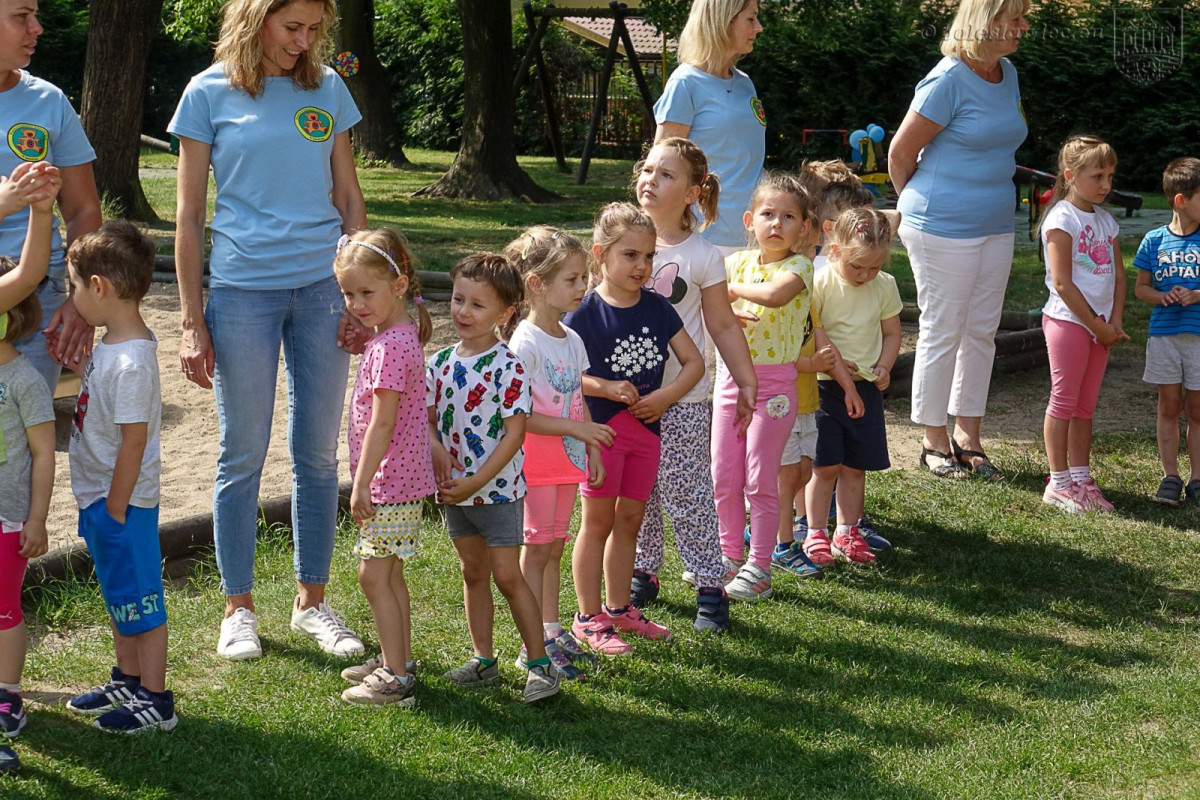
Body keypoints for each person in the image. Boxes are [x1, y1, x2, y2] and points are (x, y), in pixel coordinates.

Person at [169, 0, 368, 660]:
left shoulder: (328, 87)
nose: (305, 40)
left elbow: (348, 198)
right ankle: (238, 608)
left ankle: (313, 601)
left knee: (316, 455)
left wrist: (362, 292)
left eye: (315, 30)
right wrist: (192, 323)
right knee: (241, 452)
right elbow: (191, 216)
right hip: (240, 293)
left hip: (322, 291)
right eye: (293, 27)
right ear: (256, 19)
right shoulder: (206, 93)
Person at [889, 0, 1030, 481]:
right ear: (985, 23)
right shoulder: (946, 79)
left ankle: (968, 434)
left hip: (995, 224)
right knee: (943, 329)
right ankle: (933, 441)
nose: (1024, 26)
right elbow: (900, 153)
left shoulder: (1006, 73)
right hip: (940, 226)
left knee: (982, 331)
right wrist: (919, 207)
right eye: (1016, 18)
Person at [628, 137, 757, 631]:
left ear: (692, 192)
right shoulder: (619, 238)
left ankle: (709, 586)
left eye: (666, 174)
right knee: (635, 493)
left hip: (683, 396)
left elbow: (723, 325)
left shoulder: (704, 256)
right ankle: (642, 573)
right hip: (623, 400)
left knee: (686, 491)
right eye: (647, 169)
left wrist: (745, 381)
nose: (650, 180)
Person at [565, 203, 704, 652]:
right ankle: (587, 617)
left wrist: (664, 397)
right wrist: (603, 386)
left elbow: (694, 363)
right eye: (630, 255)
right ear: (600, 254)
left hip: (647, 432)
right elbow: (565, 372)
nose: (642, 266)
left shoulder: (659, 308)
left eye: (648, 256)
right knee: (597, 522)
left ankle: (620, 608)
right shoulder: (583, 310)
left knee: (631, 520)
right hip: (599, 434)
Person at [427, 253, 560, 704]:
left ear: (504, 314)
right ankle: (484, 661)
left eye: (477, 305)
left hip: (497, 492)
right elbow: (425, 419)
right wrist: (437, 447)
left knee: (507, 575)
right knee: (472, 571)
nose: (463, 312)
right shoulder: (440, 362)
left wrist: (476, 481)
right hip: (455, 492)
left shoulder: (509, 367)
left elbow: (513, 437)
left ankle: (540, 664)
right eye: (458, 300)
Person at [62, 222, 177, 733]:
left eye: (72, 286)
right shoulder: (111, 345)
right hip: (102, 501)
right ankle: (127, 680)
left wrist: (115, 506)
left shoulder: (131, 362)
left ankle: (156, 699)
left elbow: (134, 443)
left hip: (122, 506)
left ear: (99, 287)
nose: (71, 296)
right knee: (119, 594)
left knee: (142, 601)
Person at [331, 229, 433, 706]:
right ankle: (399, 660)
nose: (356, 303)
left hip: (391, 480)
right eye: (349, 293)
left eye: (366, 292)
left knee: (373, 576)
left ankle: (396, 677)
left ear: (399, 283)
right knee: (388, 575)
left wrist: (361, 482)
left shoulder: (390, 346)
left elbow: (383, 421)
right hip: (399, 478)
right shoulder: (394, 335)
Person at [504, 226, 608, 677]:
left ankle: (550, 626)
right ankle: (533, 643)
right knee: (537, 549)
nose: (582, 286)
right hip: (536, 464)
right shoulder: (524, 343)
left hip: (568, 461)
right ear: (536, 285)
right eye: (572, 279)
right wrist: (574, 429)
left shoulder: (572, 338)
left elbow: (578, 401)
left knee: (554, 549)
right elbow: (520, 416)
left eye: (583, 277)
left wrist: (591, 447)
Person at [715, 174, 818, 601]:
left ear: (805, 228)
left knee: (761, 478)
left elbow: (774, 296)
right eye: (767, 214)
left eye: (788, 216)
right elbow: (713, 314)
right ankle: (727, 556)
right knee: (724, 474)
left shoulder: (800, 267)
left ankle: (759, 566)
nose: (776, 224)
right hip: (729, 380)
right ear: (749, 220)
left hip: (775, 384)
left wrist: (724, 293)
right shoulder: (734, 261)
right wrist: (724, 310)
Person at [0, 0, 102, 391]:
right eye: (22, 17)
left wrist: (78, 301)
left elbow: (83, 210)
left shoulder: (49, 101)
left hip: (40, 303)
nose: (37, 28)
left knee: (33, 436)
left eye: (36, 16)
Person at [0, 167, 60, 773]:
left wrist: (38, 213)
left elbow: (27, 274)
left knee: (3, 610)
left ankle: (6, 697)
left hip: (6, 517)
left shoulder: (20, 380)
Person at [804, 208, 902, 567]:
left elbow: (892, 332)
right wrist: (833, 360)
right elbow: (815, 330)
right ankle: (815, 530)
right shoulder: (821, 282)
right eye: (856, 266)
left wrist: (884, 366)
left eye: (873, 267)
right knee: (824, 465)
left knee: (855, 466)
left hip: (866, 388)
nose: (864, 275)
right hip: (825, 386)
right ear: (835, 251)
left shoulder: (885, 286)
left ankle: (847, 529)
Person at [1038, 136, 1127, 513]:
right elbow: (1062, 282)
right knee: (1064, 400)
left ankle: (1080, 476)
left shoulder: (1106, 221)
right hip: (1068, 323)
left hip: (1101, 327)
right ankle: (1058, 482)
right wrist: (1094, 324)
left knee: (1085, 407)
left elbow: (1120, 276)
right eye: (1097, 177)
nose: (1106, 185)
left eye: (1110, 176)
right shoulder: (1062, 217)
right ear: (1071, 175)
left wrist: (1113, 321)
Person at [654, 0, 765, 254]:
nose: (758, 27)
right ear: (723, 21)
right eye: (751, 18)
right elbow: (662, 167)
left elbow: (746, 158)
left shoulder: (746, 83)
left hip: (753, 233)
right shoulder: (685, 82)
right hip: (704, 237)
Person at [1134, 157, 1200, 508]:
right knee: (1169, 406)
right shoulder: (1154, 241)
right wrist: (1163, 296)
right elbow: (1141, 288)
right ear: (1181, 200)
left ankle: (1198, 480)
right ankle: (1171, 476)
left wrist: (1196, 294)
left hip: (1199, 338)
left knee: (1197, 408)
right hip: (1164, 337)